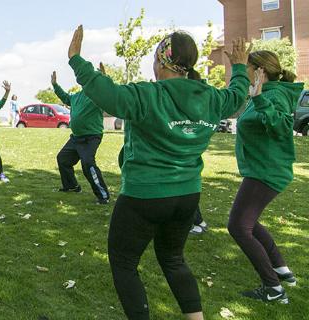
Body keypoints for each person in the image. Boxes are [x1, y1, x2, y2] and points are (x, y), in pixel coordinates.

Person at [67, 26, 250, 320]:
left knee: (124, 263)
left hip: (145, 196)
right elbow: (238, 95)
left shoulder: (147, 95)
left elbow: (106, 93)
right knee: (173, 259)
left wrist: (76, 59)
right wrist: (239, 66)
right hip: (187, 196)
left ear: (162, 61)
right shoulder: (212, 98)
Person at [228, 50, 302, 303]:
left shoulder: (275, 95)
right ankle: (282, 270)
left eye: (246, 67)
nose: (243, 71)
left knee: (238, 226)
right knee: (249, 222)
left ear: (260, 70)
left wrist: (259, 99)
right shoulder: (266, 93)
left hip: (266, 172)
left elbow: (281, 127)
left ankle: (273, 289)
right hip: (262, 169)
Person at [52, 70, 110, 204]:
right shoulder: (76, 96)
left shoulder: (96, 95)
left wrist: (104, 78)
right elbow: (65, 97)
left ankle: (103, 195)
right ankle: (72, 186)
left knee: (88, 164)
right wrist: (55, 85)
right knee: (63, 159)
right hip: (76, 138)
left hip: (91, 137)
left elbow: (107, 92)